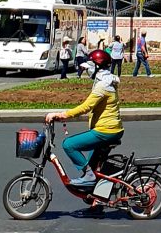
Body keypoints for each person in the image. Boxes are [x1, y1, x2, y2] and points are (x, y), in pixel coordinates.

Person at [45, 48, 123, 187]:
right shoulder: (106, 80)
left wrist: (61, 115)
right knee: (93, 167)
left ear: (97, 67)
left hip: (106, 131)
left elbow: (86, 107)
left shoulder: (103, 86)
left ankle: (89, 176)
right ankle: (96, 201)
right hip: (111, 129)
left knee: (69, 145)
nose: (87, 71)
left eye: (89, 68)